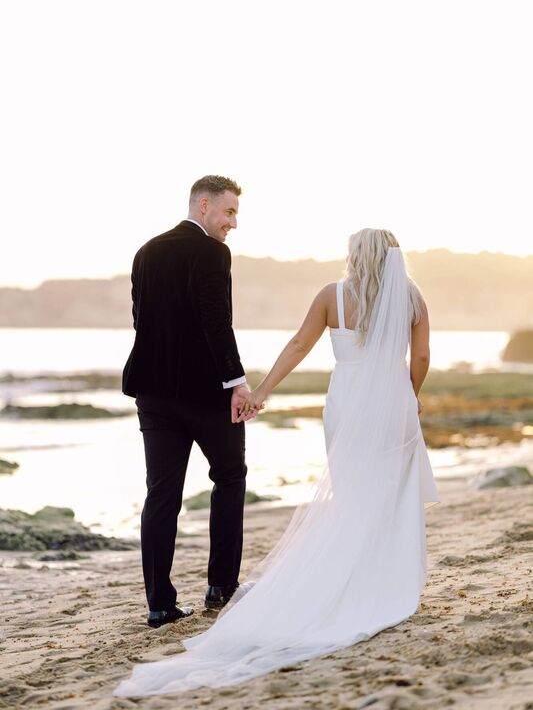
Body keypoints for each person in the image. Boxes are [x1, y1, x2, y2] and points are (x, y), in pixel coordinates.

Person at [114, 228, 440, 696]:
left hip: (345, 403)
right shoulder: (412, 297)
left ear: (355, 255)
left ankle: (351, 579)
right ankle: (393, 580)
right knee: (392, 490)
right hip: (395, 401)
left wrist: (262, 392)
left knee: (350, 492)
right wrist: (412, 393)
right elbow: (423, 354)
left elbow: (299, 346)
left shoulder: (333, 295)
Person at [121, 175, 258, 629]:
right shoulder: (213, 252)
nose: (233, 223)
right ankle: (221, 587)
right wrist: (237, 382)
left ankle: (159, 604)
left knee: (161, 494)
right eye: (229, 212)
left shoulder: (146, 251)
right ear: (203, 206)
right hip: (205, 394)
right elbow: (217, 321)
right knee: (230, 477)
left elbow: (141, 319)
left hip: (152, 392)